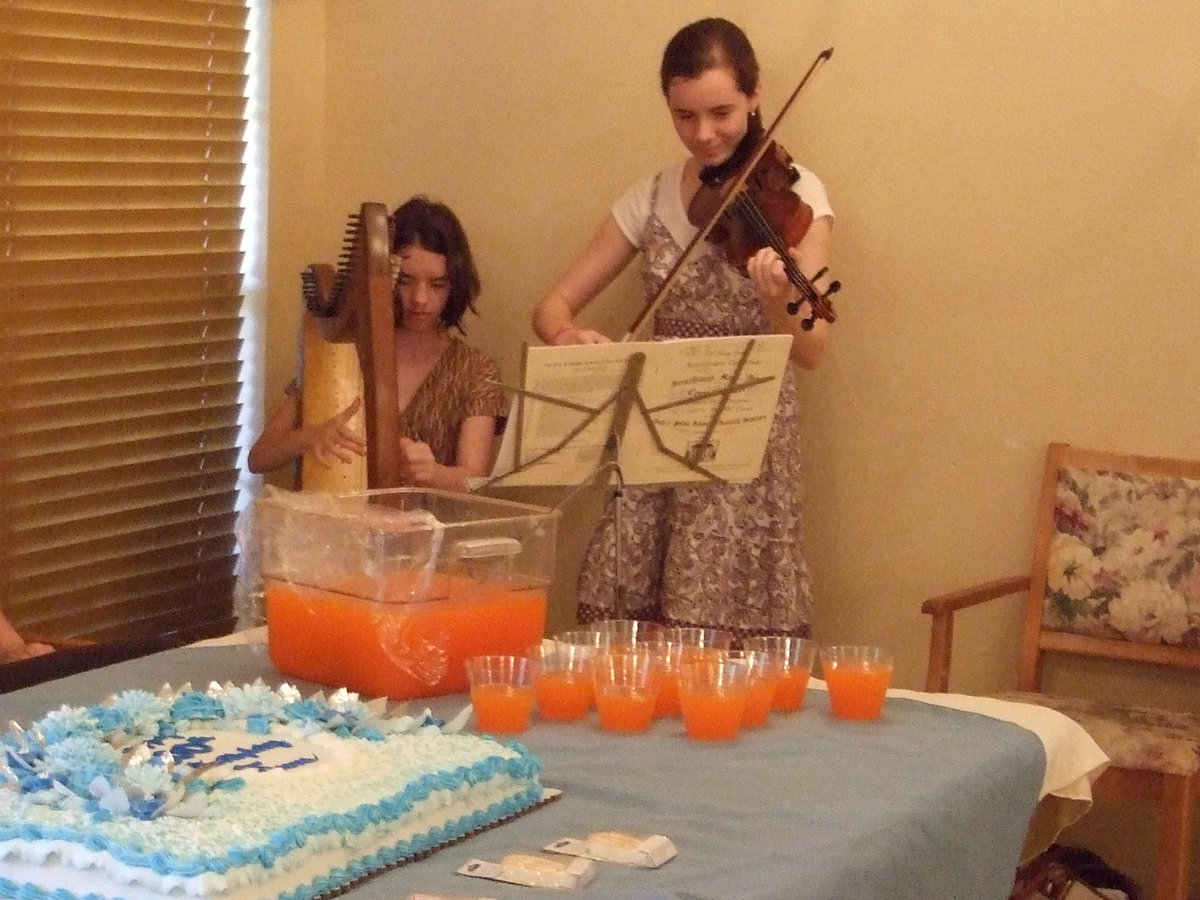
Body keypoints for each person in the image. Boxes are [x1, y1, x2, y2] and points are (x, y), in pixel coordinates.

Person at [531, 17, 836, 641]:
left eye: (722, 113)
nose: (704, 134)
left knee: (726, 647)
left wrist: (778, 300)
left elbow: (811, 350)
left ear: (756, 95)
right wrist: (567, 338)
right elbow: (552, 306)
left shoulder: (795, 194)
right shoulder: (650, 197)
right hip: (659, 429)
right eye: (685, 116)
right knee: (635, 644)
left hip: (746, 439)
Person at [249, 196, 506, 492]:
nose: (420, 299)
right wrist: (311, 436)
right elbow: (259, 457)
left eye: (437, 284)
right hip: (347, 519)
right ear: (387, 279)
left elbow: (475, 480)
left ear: (455, 287)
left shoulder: (475, 370)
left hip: (430, 521)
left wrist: (433, 473)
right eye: (406, 281)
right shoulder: (343, 351)